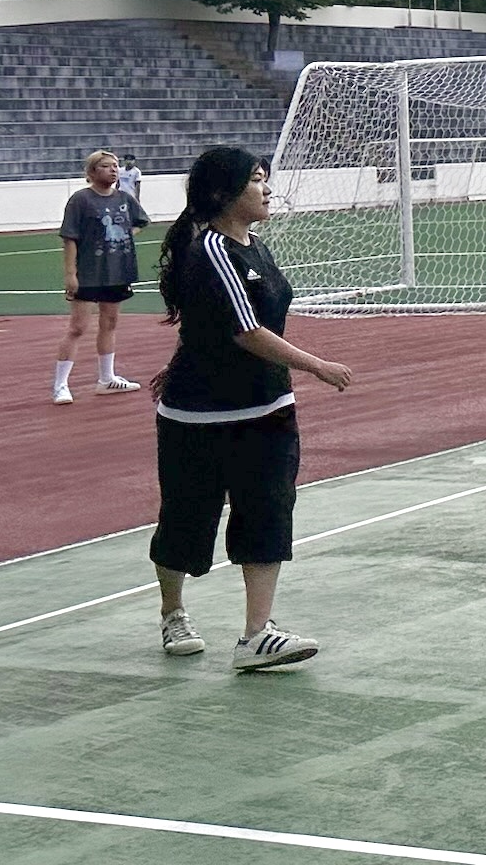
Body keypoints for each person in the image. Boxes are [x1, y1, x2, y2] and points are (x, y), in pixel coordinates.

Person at [148, 145, 354, 670]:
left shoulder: (256, 248)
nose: (267, 189)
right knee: (185, 523)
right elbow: (247, 332)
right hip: (200, 418)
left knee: (267, 513)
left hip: (268, 409)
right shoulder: (213, 251)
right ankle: (173, 612)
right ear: (224, 193)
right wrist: (318, 366)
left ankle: (256, 634)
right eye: (257, 180)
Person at [57, 149, 152, 404]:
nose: (113, 170)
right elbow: (70, 238)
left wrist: (125, 233)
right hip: (89, 272)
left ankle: (106, 378)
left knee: (109, 323)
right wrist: (71, 274)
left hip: (116, 270)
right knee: (78, 327)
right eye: (106, 166)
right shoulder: (81, 200)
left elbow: (141, 221)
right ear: (91, 172)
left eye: (115, 166)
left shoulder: (124, 198)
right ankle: (60, 384)